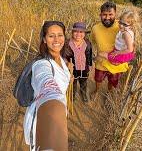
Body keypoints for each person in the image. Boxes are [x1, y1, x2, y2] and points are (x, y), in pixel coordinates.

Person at [23, 21, 71, 150]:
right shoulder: (41, 65)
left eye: (60, 35)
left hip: (59, 113)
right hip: (43, 117)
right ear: (44, 39)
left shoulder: (61, 58)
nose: (57, 39)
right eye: (51, 36)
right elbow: (48, 87)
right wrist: (56, 109)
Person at [91, 2, 129, 97]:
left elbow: (130, 44)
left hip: (116, 63)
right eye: (104, 14)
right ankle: (97, 91)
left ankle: (109, 93)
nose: (107, 17)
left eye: (110, 14)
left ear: (115, 14)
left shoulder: (121, 27)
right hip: (101, 61)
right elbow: (94, 42)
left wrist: (122, 58)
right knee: (98, 79)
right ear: (100, 14)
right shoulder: (95, 28)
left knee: (112, 81)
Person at [65, 22, 92, 102]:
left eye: (81, 32)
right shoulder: (67, 43)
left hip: (84, 68)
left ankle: (83, 93)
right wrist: (67, 65)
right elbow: (64, 57)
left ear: (84, 33)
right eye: (76, 31)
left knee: (83, 82)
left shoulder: (87, 43)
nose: (78, 34)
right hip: (72, 69)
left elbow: (89, 55)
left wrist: (89, 65)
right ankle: (73, 95)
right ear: (72, 32)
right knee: (73, 83)